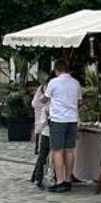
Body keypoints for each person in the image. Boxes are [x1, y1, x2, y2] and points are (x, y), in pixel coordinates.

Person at [45, 56, 82, 193]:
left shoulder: (53, 82)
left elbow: (45, 98)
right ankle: (68, 179)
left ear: (56, 70)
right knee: (69, 150)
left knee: (57, 150)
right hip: (72, 119)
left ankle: (59, 181)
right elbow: (79, 101)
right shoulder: (76, 83)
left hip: (58, 119)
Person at [31, 73, 53, 188]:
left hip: (45, 124)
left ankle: (37, 176)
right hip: (47, 124)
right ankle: (39, 176)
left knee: (43, 152)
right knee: (45, 152)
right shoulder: (46, 90)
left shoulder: (44, 88)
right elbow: (38, 104)